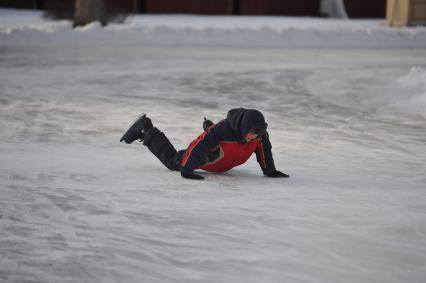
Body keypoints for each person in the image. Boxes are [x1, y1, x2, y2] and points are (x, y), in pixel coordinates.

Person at [120, 108, 289, 180]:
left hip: (221, 159)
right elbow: (199, 145)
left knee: (213, 139)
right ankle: (146, 129)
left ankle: (145, 131)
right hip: (206, 157)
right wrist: (186, 169)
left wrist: (270, 171)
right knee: (174, 162)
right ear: (244, 128)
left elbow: (264, 150)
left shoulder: (258, 136)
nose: (256, 138)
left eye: (258, 134)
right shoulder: (222, 131)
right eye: (253, 134)